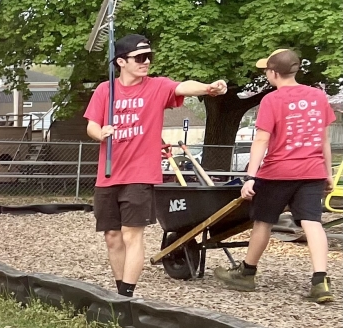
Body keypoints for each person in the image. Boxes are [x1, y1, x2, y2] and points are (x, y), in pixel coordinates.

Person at [84, 35, 227, 296]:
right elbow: (91, 124)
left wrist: (208, 87)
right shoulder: (105, 90)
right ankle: (119, 292)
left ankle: (127, 295)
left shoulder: (157, 86)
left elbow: (183, 87)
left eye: (149, 56)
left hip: (139, 174)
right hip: (108, 176)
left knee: (131, 235)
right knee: (112, 237)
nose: (146, 62)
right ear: (121, 62)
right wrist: (100, 132)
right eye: (140, 58)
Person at [213, 49, 335, 303]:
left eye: (266, 70)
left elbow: (261, 139)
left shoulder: (272, 100)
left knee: (263, 222)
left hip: (278, 172)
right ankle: (320, 280)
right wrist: (327, 172)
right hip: (312, 171)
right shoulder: (317, 97)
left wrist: (250, 177)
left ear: (273, 72)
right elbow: (323, 138)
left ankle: (246, 273)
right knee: (312, 222)